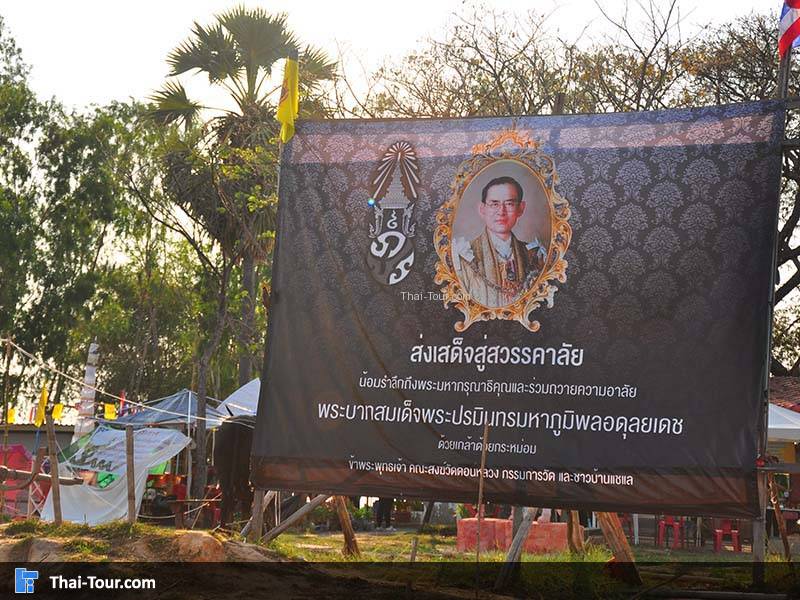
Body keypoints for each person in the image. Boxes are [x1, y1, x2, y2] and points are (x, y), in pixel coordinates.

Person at [455, 176, 547, 307]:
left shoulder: (535, 256)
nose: (501, 212)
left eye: (509, 204)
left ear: (521, 208)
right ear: (482, 209)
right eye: (494, 204)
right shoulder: (463, 257)